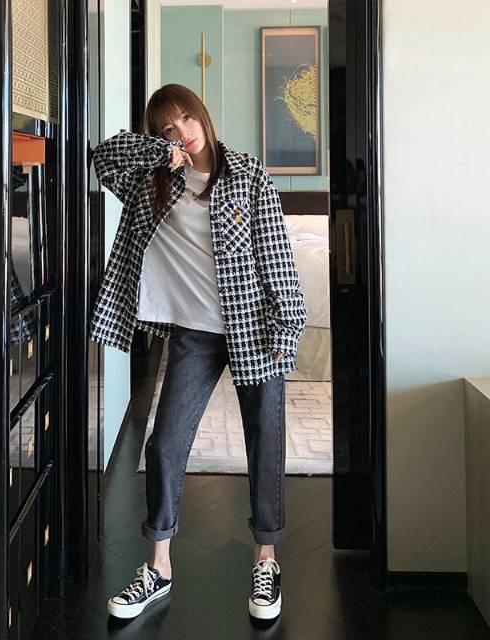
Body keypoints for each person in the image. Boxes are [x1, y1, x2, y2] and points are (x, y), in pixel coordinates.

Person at [88, 84, 307, 621]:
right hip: (194, 334)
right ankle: (158, 568)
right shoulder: (152, 181)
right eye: (168, 127)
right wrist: (160, 151)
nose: (183, 131)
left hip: (252, 327)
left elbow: (276, 257)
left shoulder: (247, 174)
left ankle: (266, 559)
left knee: (265, 440)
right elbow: (103, 158)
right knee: (165, 444)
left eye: (186, 118)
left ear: (202, 115)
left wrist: (287, 328)